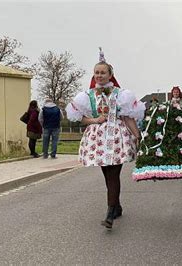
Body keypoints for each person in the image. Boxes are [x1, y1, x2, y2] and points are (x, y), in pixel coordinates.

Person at [65, 48, 145, 229]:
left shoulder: (121, 94)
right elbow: (79, 118)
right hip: (98, 140)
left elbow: (128, 117)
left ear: (110, 74)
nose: (99, 76)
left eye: (102, 73)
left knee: (113, 174)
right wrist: (95, 120)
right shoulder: (86, 96)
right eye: (96, 73)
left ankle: (110, 213)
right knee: (107, 174)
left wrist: (138, 136)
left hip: (117, 137)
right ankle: (116, 206)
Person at [132, 86, 182, 181]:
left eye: (177, 92)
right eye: (174, 92)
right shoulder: (168, 103)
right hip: (172, 125)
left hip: (181, 126)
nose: (175, 93)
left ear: (179, 93)